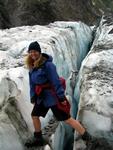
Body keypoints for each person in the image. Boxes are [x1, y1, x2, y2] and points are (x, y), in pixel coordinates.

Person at [25, 41, 92, 148]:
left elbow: (55, 81)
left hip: (53, 97)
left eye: (35, 51)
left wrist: (61, 97)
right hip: (41, 98)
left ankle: (86, 136)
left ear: (39, 52)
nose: (33, 54)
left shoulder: (48, 65)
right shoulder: (32, 66)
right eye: (31, 52)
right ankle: (38, 138)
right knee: (34, 115)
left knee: (67, 119)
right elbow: (32, 83)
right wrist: (33, 95)